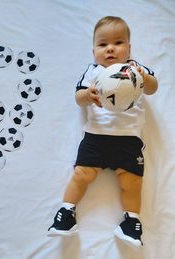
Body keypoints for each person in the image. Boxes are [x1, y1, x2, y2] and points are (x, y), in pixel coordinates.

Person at [47, 16, 158, 247]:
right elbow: (78, 98)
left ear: (129, 48)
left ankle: (130, 220)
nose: (110, 49)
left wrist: (144, 77)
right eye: (102, 44)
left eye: (118, 42)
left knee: (133, 182)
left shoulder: (134, 69)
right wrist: (88, 95)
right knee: (81, 175)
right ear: (94, 50)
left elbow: (153, 88)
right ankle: (67, 212)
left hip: (128, 140)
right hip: (96, 137)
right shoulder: (93, 71)